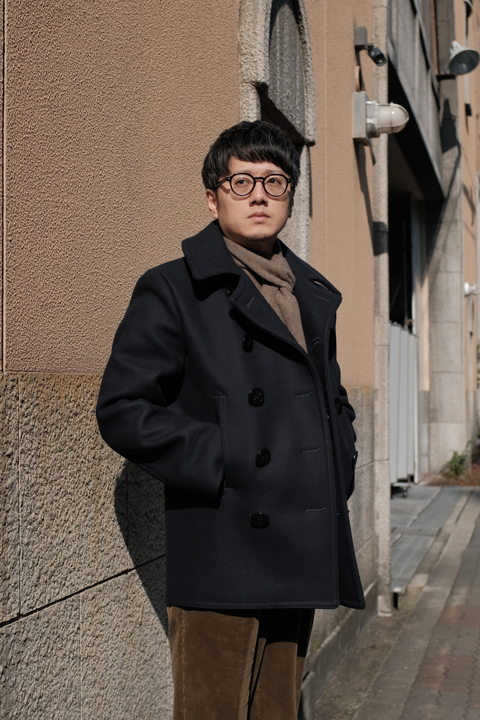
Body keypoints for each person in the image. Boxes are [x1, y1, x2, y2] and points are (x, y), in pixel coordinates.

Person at [96, 120, 365, 720]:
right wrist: (231, 457)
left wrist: (338, 461)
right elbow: (123, 409)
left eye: (275, 181)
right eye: (241, 182)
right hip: (225, 546)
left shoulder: (309, 293)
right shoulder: (173, 288)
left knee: (277, 711)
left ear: (290, 195)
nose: (260, 195)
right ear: (212, 198)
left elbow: (333, 397)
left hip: (298, 543)